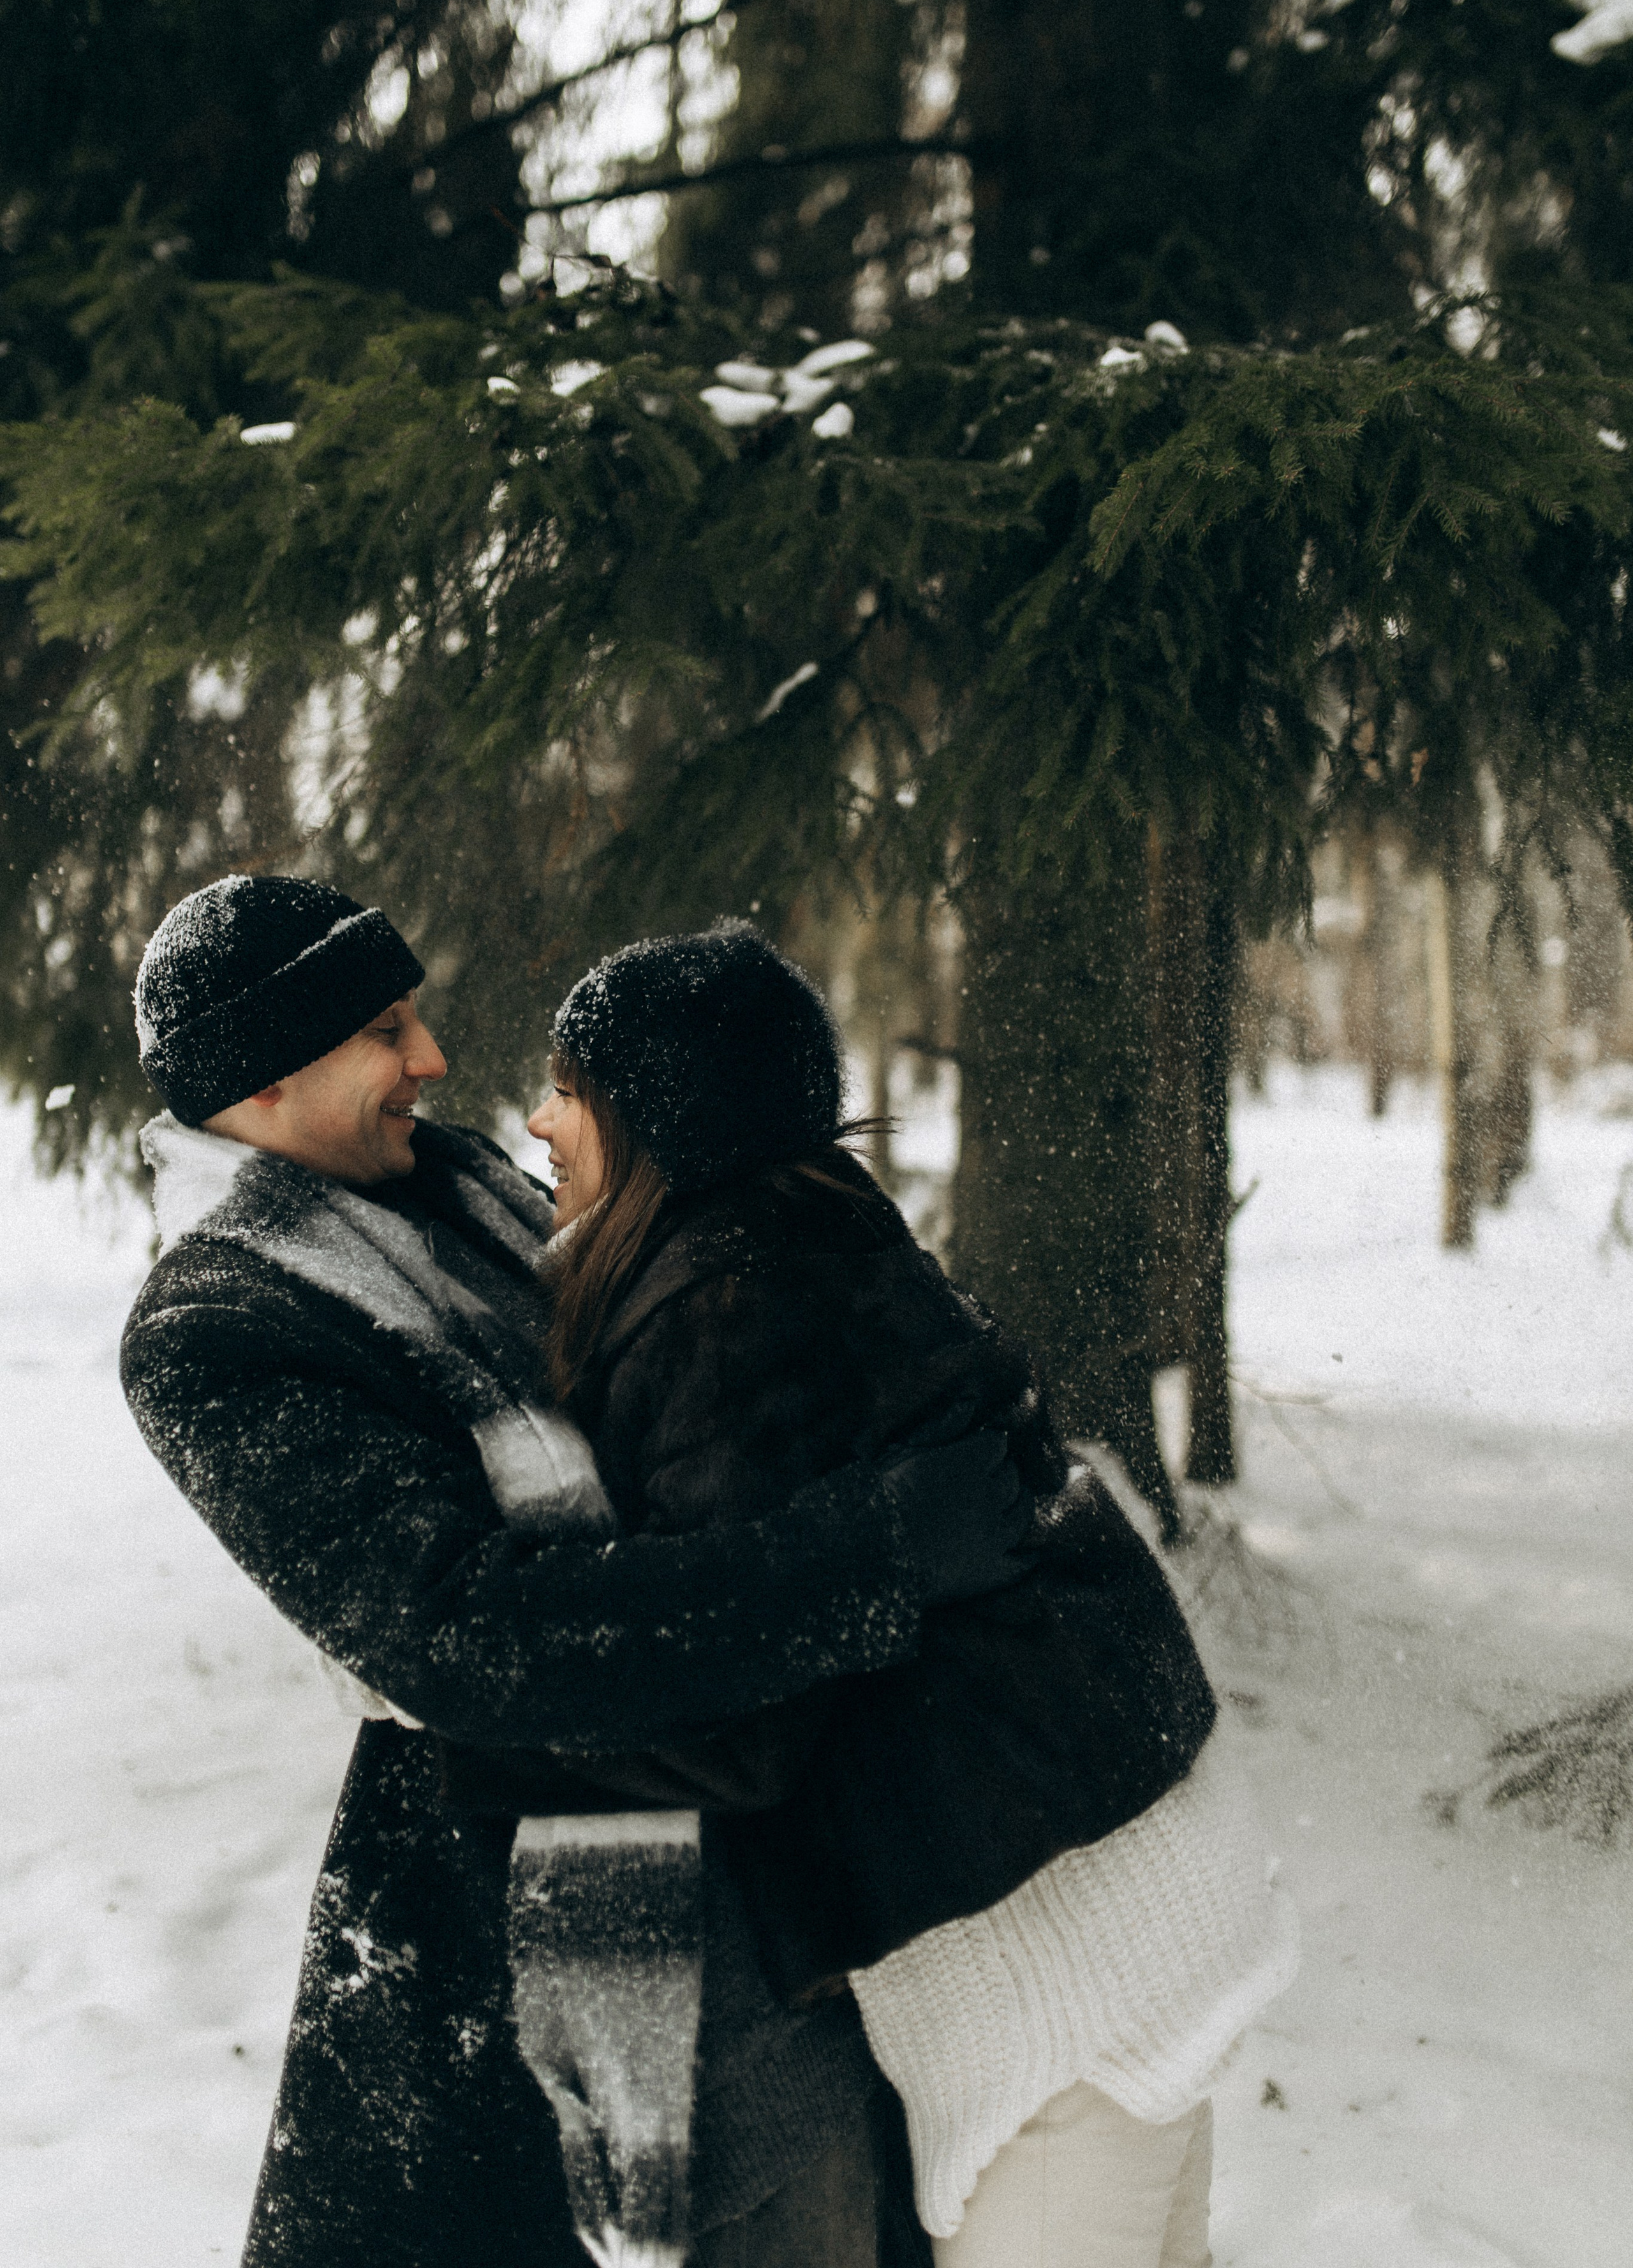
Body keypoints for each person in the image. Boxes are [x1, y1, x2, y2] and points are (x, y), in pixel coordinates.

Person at [118, 875, 1037, 2268]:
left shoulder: (465, 1181)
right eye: (384, 1028)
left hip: (771, 1832)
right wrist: (874, 1553)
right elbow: (466, 1638)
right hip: (533, 1903)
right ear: (262, 1076)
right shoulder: (218, 1327)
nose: (430, 1060)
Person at [496, 924, 1299, 2268]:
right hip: (1132, 1873)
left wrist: (491, 1692)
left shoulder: (723, 1311)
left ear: (657, 1117)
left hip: (1064, 1963)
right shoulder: (812, 1232)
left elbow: (741, 1699)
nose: (535, 1119)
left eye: (569, 1089)